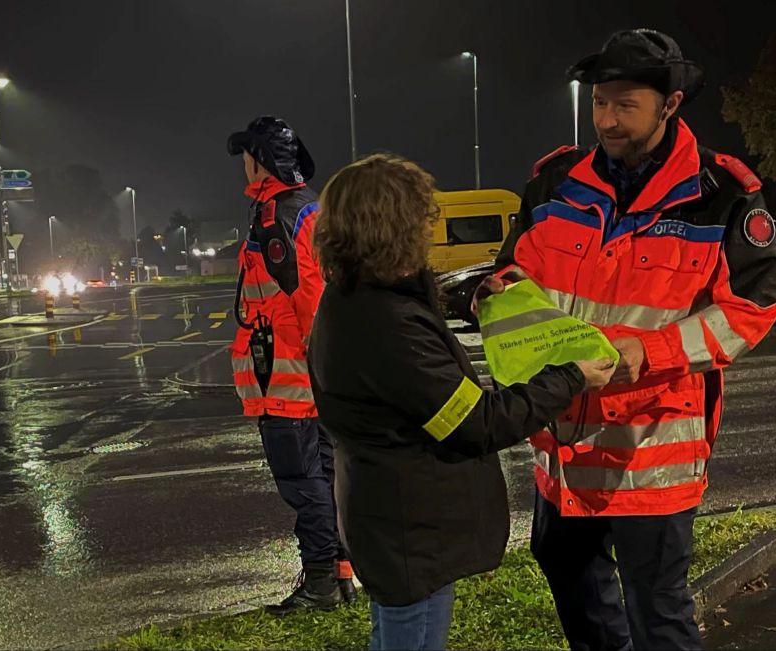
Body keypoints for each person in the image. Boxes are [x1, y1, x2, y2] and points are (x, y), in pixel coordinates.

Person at [483, 29, 776, 651]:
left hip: (652, 454)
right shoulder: (556, 183)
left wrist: (652, 351)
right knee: (574, 590)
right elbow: (514, 268)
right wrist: (503, 293)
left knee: (660, 617)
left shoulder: (721, 196)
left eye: (626, 105)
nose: (607, 120)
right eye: (600, 102)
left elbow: (753, 308)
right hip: (564, 450)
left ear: (670, 105)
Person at [308, 153, 617, 651]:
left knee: (393, 631)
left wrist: (475, 295)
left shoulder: (355, 297)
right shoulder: (388, 325)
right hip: (412, 528)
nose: (428, 236)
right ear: (396, 230)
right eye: (420, 224)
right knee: (413, 636)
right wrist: (569, 378)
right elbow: (476, 422)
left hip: (389, 515)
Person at [226, 116, 355, 612]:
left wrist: (315, 364)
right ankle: (340, 576)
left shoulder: (276, 214)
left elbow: (308, 295)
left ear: (261, 160)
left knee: (303, 481)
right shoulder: (309, 207)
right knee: (324, 474)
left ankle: (321, 583)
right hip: (308, 374)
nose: (243, 165)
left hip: (288, 377)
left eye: (246, 156)